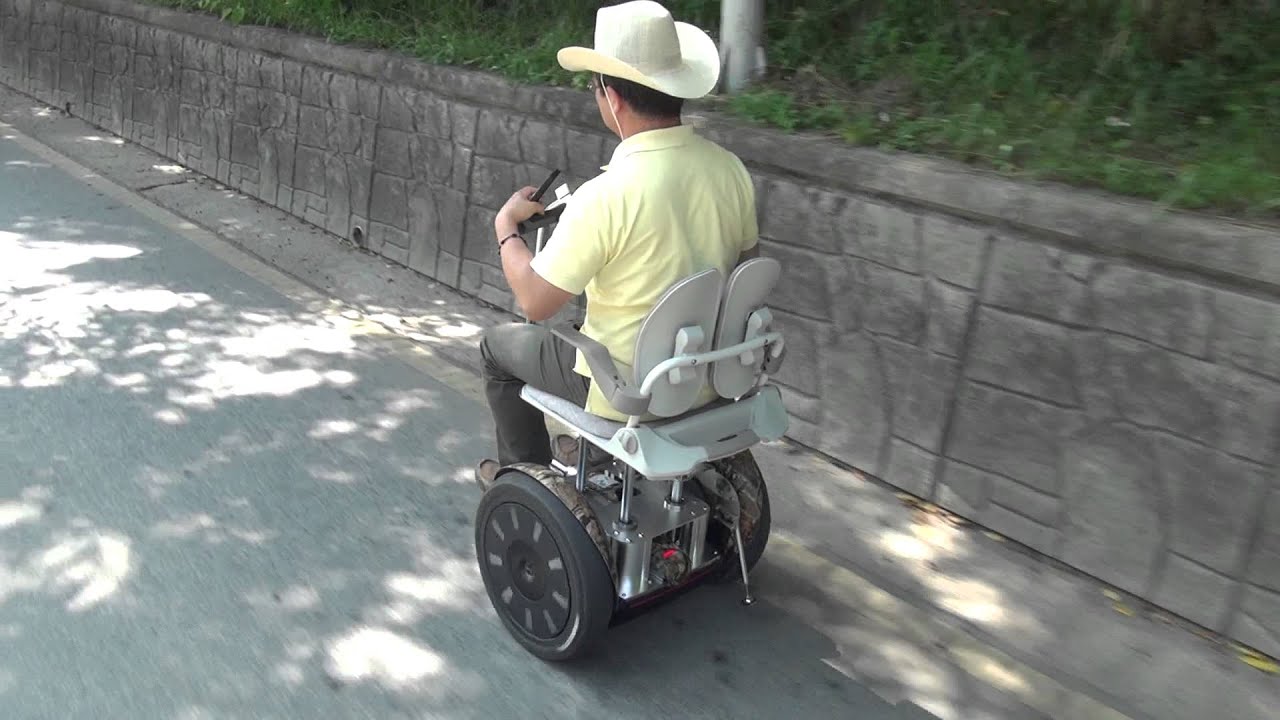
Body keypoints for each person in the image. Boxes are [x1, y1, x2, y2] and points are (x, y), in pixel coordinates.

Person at [474, 0, 760, 490]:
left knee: (496, 349)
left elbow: (535, 301)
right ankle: (585, 452)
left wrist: (506, 226)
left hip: (628, 391)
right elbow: (743, 270)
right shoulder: (730, 169)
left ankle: (524, 480)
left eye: (595, 87)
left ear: (613, 96)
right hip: (709, 375)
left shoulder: (607, 194)